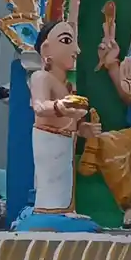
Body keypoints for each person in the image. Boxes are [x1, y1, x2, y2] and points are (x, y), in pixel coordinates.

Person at [29, 19, 88, 217]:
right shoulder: (41, 78)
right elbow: (39, 106)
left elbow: (69, 119)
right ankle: (48, 214)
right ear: (46, 49)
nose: (76, 50)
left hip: (65, 142)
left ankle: (65, 211)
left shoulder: (67, 86)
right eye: (66, 41)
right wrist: (58, 106)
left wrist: (83, 129)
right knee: (51, 188)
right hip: (49, 141)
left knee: (64, 187)